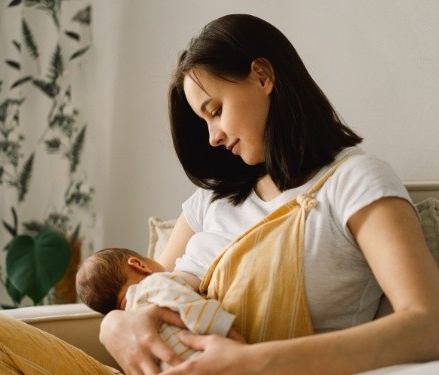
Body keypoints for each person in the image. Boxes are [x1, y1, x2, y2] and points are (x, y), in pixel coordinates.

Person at [98, 13, 439, 374]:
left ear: (263, 76)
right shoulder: (211, 201)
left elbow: (427, 323)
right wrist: (113, 326)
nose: (212, 137)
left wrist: (254, 362)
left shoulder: (354, 181)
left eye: (216, 111)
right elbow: (153, 290)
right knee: (27, 342)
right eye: (205, 122)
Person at [75, 247, 236, 369]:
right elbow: (197, 310)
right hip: (209, 362)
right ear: (139, 264)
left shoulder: (131, 332)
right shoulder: (154, 284)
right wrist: (233, 336)